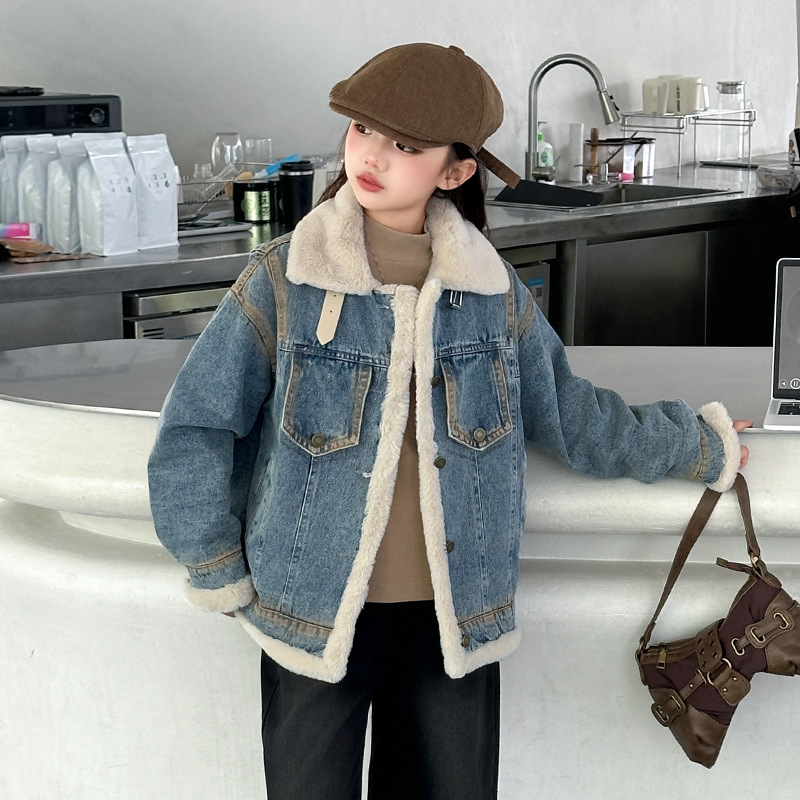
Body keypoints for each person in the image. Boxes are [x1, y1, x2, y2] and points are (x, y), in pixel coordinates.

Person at [148, 43, 751, 800]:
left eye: (406, 146)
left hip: (454, 618)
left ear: (457, 171)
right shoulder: (284, 278)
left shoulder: (492, 295)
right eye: (364, 129)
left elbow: (572, 415)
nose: (372, 156)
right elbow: (197, 425)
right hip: (308, 609)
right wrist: (213, 563)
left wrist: (697, 444)